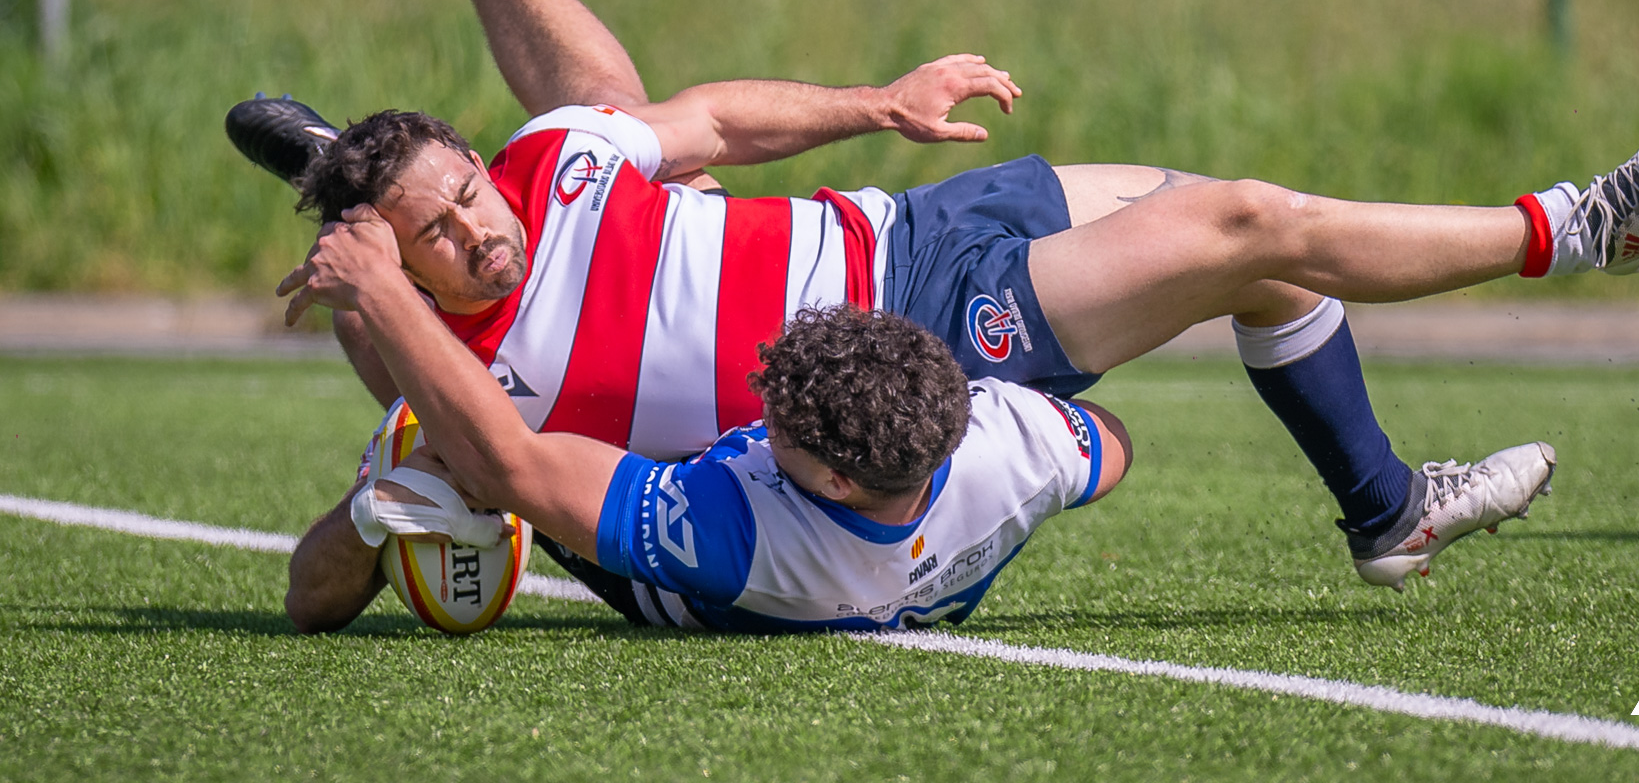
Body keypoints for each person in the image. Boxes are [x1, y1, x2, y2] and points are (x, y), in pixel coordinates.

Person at [252, 0, 1639, 595]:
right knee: (1250, 223)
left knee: (1250, 248)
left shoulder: (548, 168)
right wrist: (371, 314)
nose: (483, 233)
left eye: (467, 196)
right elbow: (332, 570)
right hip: (896, 350)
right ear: (404, 268)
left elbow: (707, 117)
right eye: (440, 232)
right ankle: (1580, 225)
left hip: (912, 228)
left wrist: (877, 101)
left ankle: (1386, 509)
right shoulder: (456, 379)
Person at [286, 303, 1133, 634]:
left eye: (779, 428)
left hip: (669, 580)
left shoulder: (731, 527)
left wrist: (378, 289)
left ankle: (378, 490)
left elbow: (508, 462)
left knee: (439, 446)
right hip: (828, 533)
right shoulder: (1016, 442)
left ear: (836, 481)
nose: (762, 422)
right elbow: (1108, 441)